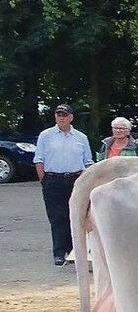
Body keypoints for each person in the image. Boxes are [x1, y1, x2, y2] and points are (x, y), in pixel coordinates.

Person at [32, 103, 92, 265]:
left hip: (76, 180)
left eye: (64, 115)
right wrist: (44, 180)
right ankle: (59, 252)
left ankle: (74, 251)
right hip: (53, 180)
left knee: (76, 216)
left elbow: (88, 162)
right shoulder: (46, 135)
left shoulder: (81, 137)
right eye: (58, 115)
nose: (61, 118)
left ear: (71, 117)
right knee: (57, 217)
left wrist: (86, 181)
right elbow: (39, 159)